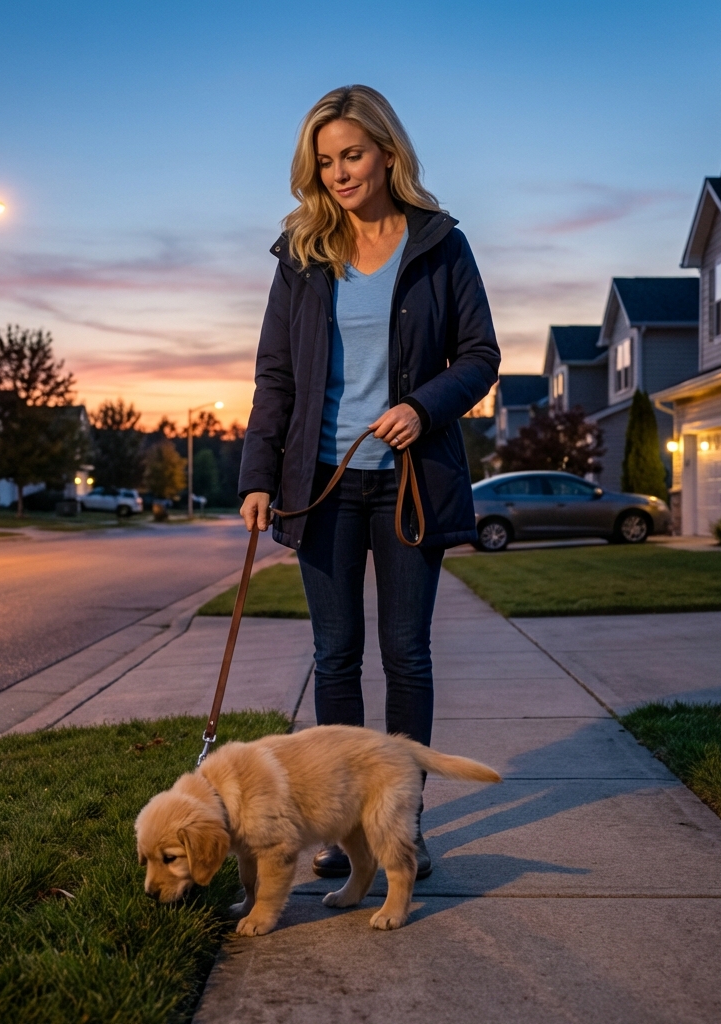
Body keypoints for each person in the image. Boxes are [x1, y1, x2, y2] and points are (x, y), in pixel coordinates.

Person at [238, 85, 500, 879]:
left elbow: (480, 356)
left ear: (387, 151)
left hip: (407, 482)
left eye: (352, 154)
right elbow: (276, 376)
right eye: (326, 161)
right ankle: (346, 831)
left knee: (407, 654)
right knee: (336, 654)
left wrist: (424, 406)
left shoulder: (440, 244)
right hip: (320, 483)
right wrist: (257, 475)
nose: (340, 173)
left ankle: (401, 828)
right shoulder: (301, 255)